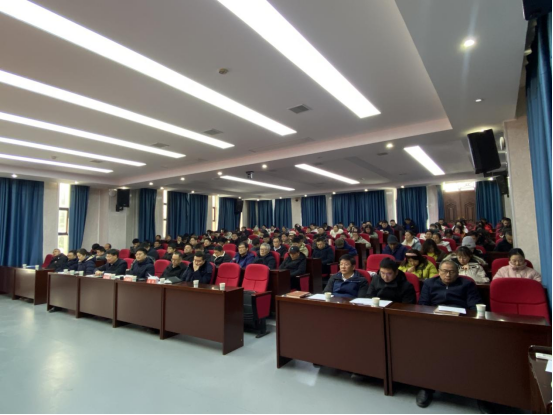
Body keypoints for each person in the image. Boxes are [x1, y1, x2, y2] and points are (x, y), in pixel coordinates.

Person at [416, 260, 483, 409]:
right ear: (439, 272)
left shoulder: (467, 284)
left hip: (461, 324)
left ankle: (481, 394)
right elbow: (423, 304)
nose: (448, 275)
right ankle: (427, 387)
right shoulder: (429, 283)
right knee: (426, 350)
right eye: (445, 271)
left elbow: (474, 306)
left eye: (452, 272)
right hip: (435, 323)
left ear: (458, 273)